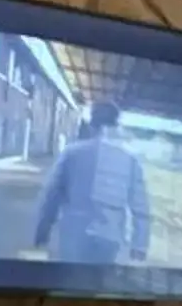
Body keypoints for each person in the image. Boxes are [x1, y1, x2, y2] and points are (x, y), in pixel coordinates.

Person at [31, 100, 153, 267]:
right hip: (110, 238)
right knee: (95, 284)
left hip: (74, 234)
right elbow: (140, 207)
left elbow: (52, 193)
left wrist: (43, 228)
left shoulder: (72, 152)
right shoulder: (130, 160)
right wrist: (139, 244)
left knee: (69, 282)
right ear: (116, 125)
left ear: (91, 124)